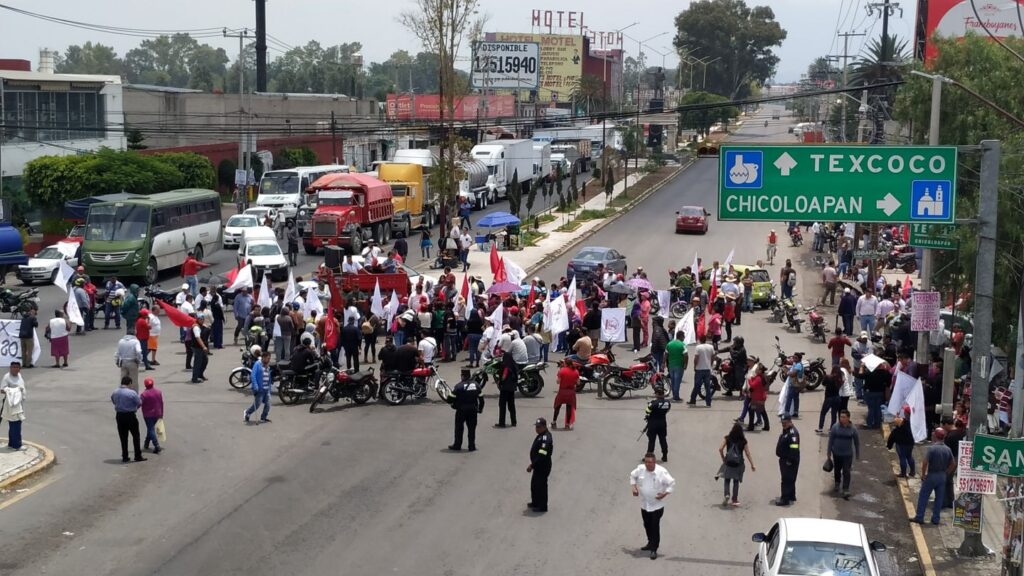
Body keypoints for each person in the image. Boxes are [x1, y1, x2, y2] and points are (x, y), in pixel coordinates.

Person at [630, 452, 675, 560]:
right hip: (644, 504)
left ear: (654, 462)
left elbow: (672, 483)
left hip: (657, 506)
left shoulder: (661, 472)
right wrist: (633, 487)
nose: (648, 464)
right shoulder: (640, 469)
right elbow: (632, 476)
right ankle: (650, 542)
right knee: (647, 524)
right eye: (646, 462)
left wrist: (665, 494)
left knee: (654, 526)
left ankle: (654, 549)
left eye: (650, 462)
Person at [912, 427, 955, 525]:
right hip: (942, 476)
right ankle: (935, 519)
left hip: (932, 475)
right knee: (939, 498)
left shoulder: (932, 448)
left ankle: (920, 517)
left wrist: (923, 474)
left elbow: (925, 462)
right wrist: (947, 473)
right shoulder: (947, 449)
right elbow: (953, 463)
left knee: (923, 496)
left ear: (935, 436)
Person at [717, 423, 756, 507]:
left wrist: (723, 458)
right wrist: (752, 464)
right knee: (736, 481)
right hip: (738, 463)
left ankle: (726, 495)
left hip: (728, 462)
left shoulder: (727, 438)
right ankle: (734, 499)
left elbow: (720, 449)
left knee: (727, 480)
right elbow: (747, 453)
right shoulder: (743, 440)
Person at [447, 368, 484, 451]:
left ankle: (457, 445)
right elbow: (481, 399)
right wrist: (480, 409)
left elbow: (450, 399)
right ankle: (471, 446)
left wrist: (453, 404)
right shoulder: (476, 385)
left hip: (461, 410)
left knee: (459, 428)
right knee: (472, 429)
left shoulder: (459, 386)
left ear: (462, 376)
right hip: (473, 410)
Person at [111, 376, 146, 463]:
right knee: (136, 436)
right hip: (130, 416)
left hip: (119, 416)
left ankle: (125, 456)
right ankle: (137, 455)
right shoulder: (131, 393)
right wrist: (134, 407)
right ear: (129, 383)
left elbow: (113, 400)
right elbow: (139, 403)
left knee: (123, 437)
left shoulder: (115, 392)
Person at [827, 410, 860, 499]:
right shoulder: (835, 427)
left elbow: (857, 442)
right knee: (837, 470)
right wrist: (828, 453)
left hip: (847, 455)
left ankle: (846, 489)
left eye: (844, 417)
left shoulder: (853, 429)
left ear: (848, 418)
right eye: (841, 417)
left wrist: (857, 454)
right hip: (837, 454)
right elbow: (830, 440)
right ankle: (837, 483)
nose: (842, 419)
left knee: (846, 471)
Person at [527, 417, 553, 513]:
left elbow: (542, 454)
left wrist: (532, 465)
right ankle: (535, 502)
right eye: (536, 427)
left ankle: (542, 506)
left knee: (541, 486)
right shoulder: (541, 435)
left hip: (542, 466)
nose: (537, 429)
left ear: (544, 427)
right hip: (538, 466)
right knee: (534, 485)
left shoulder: (546, 438)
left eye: (539, 427)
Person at [774, 414, 800, 506]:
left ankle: (785, 499)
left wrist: (789, 460)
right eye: (782, 423)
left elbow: (794, 448)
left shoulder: (792, 433)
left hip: (789, 460)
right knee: (790, 478)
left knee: (786, 479)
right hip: (785, 459)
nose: (783, 424)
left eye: (785, 423)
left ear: (790, 421)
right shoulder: (787, 430)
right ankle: (791, 495)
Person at [1, 361, 26, 450]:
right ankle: (16, 445)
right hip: (11, 404)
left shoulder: (19, 376)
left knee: (16, 424)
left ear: (19, 369)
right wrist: (12, 391)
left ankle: (11, 444)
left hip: (19, 404)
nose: (15, 369)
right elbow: (2, 389)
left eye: (17, 367)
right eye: (13, 367)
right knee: (15, 424)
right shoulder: (7, 377)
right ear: (10, 368)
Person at [495, 337, 518, 428]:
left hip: (505, 388)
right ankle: (514, 421)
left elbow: (504, 375)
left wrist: (500, 381)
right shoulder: (513, 365)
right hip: (512, 388)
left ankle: (502, 422)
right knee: (511, 405)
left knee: (502, 405)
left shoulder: (506, 366)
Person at [244, 350, 273, 424]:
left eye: (269, 358)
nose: (268, 360)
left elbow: (269, 378)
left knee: (268, 404)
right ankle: (247, 412)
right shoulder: (257, 364)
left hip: (266, 389)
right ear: (263, 358)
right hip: (259, 389)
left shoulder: (268, 366)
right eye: (267, 358)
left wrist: (270, 389)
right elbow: (253, 376)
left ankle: (263, 417)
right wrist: (255, 386)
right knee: (257, 405)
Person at [887, 408, 916, 477]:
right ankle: (912, 472)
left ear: (906, 413)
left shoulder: (901, 423)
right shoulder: (913, 422)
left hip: (901, 443)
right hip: (910, 442)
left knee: (902, 457)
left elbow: (893, 434)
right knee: (909, 456)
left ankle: (903, 473)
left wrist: (889, 445)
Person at [645, 387, 671, 462]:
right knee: (663, 440)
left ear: (657, 394)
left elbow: (647, 411)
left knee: (652, 441)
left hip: (653, 424)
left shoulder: (654, 403)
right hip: (662, 423)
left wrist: (649, 404)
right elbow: (667, 410)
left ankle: (649, 457)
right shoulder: (668, 403)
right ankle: (665, 456)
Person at [862, 360, 890, 429]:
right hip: (880, 392)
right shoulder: (884, 373)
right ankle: (877, 424)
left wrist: (862, 367)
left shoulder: (869, 372)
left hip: (870, 392)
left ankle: (870, 424)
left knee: (871, 408)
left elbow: (860, 376)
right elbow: (889, 380)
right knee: (878, 408)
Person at [689, 335, 715, 406]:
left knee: (697, 385)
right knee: (707, 386)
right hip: (707, 369)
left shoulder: (698, 347)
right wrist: (710, 364)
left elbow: (696, 358)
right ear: (705, 339)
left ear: (700, 340)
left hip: (699, 369)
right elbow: (713, 356)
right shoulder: (711, 347)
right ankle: (708, 402)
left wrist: (695, 366)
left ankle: (693, 400)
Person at [552, 360, 578, 430]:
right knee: (569, 408)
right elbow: (578, 382)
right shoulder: (575, 371)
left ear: (565, 364)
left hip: (562, 391)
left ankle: (554, 422)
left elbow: (558, 382)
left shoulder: (562, 371)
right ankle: (567, 424)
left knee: (557, 407)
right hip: (571, 392)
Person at [816, 366, 843, 433]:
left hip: (829, 398)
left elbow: (823, 383)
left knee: (823, 413)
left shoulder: (828, 377)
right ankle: (832, 429)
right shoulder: (840, 379)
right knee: (834, 414)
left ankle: (820, 428)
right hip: (837, 397)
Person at [140, 378, 163, 454]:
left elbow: (139, 404)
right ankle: (146, 443)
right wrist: (161, 414)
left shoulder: (144, 394)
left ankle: (156, 446)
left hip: (148, 415)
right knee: (150, 429)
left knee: (151, 429)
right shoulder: (158, 392)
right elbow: (161, 403)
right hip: (157, 413)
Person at [746, 362, 769, 431]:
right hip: (760, 397)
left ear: (760, 370)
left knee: (751, 410)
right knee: (762, 411)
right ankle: (767, 426)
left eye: (757, 369)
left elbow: (753, 385)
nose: (756, 370)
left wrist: (749, 380)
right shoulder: (762, 377)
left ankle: (751, 426)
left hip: (757, 398)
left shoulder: (759, 378)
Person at [781, 351, 805, 418]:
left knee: (789, 398)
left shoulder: (798, 365)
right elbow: (792, 367)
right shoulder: (796, 364)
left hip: (794, 385)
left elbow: (793, 374)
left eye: (795, 358)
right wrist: (788, 367)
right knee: (795, 399)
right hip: (795, 385)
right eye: (793, 357)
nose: (794, 359)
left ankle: (786, 413)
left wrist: (786, 371)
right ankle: (795, 412)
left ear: (799, 359)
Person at [665, 331, 687, 401]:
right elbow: (686, 355)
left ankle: (674, 395)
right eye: (683, 336)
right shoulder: (682, 345)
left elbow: (665, 355)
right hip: (679, 365)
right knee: (677, 381)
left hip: (671, 365)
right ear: (680, 336)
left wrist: (664, 363)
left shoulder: (669, 344)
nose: (684, 338)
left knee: (673, 381)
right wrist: (686, 364)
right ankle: (676, 397)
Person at [190, 314, 211, 384]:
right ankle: (194, 378)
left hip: (200, 347)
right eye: (200, 319)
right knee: (197, 363)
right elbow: (198, 338)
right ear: (198, 319)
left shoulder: (201, 326)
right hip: (197, 347)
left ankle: (200, 374)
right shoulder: (196, 327)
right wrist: (203, 347)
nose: (202, 320)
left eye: (203, 319)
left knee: (205, 360)